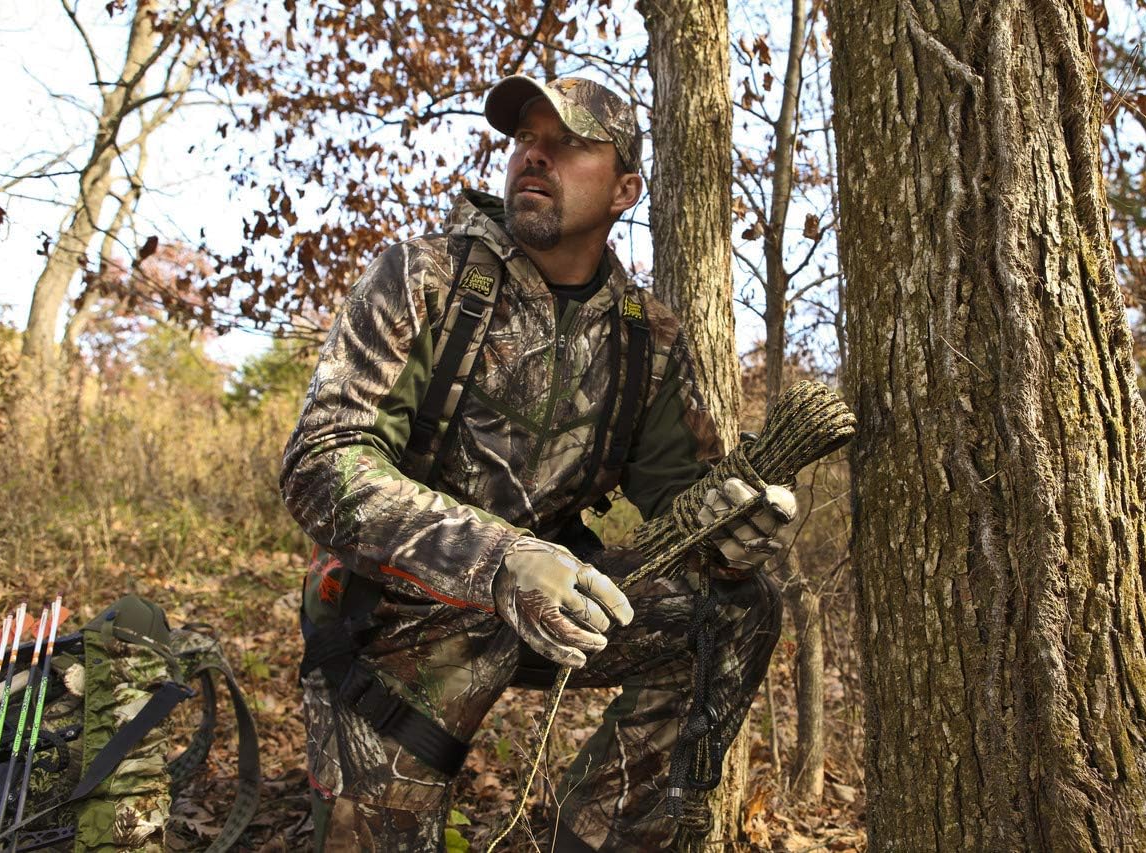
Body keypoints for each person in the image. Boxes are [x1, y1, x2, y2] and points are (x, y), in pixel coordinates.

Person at [280, 74, 797, 852]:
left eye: (569, 143)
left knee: (735, 604)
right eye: (525, 138)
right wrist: (501, 559)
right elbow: (320, 461)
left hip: (550, 607)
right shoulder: (422, 278)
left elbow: (685, 507)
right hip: (394, 616)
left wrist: (735, 532)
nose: (534, 155)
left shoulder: (646, 338)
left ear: (624, 189)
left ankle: (601, 834)